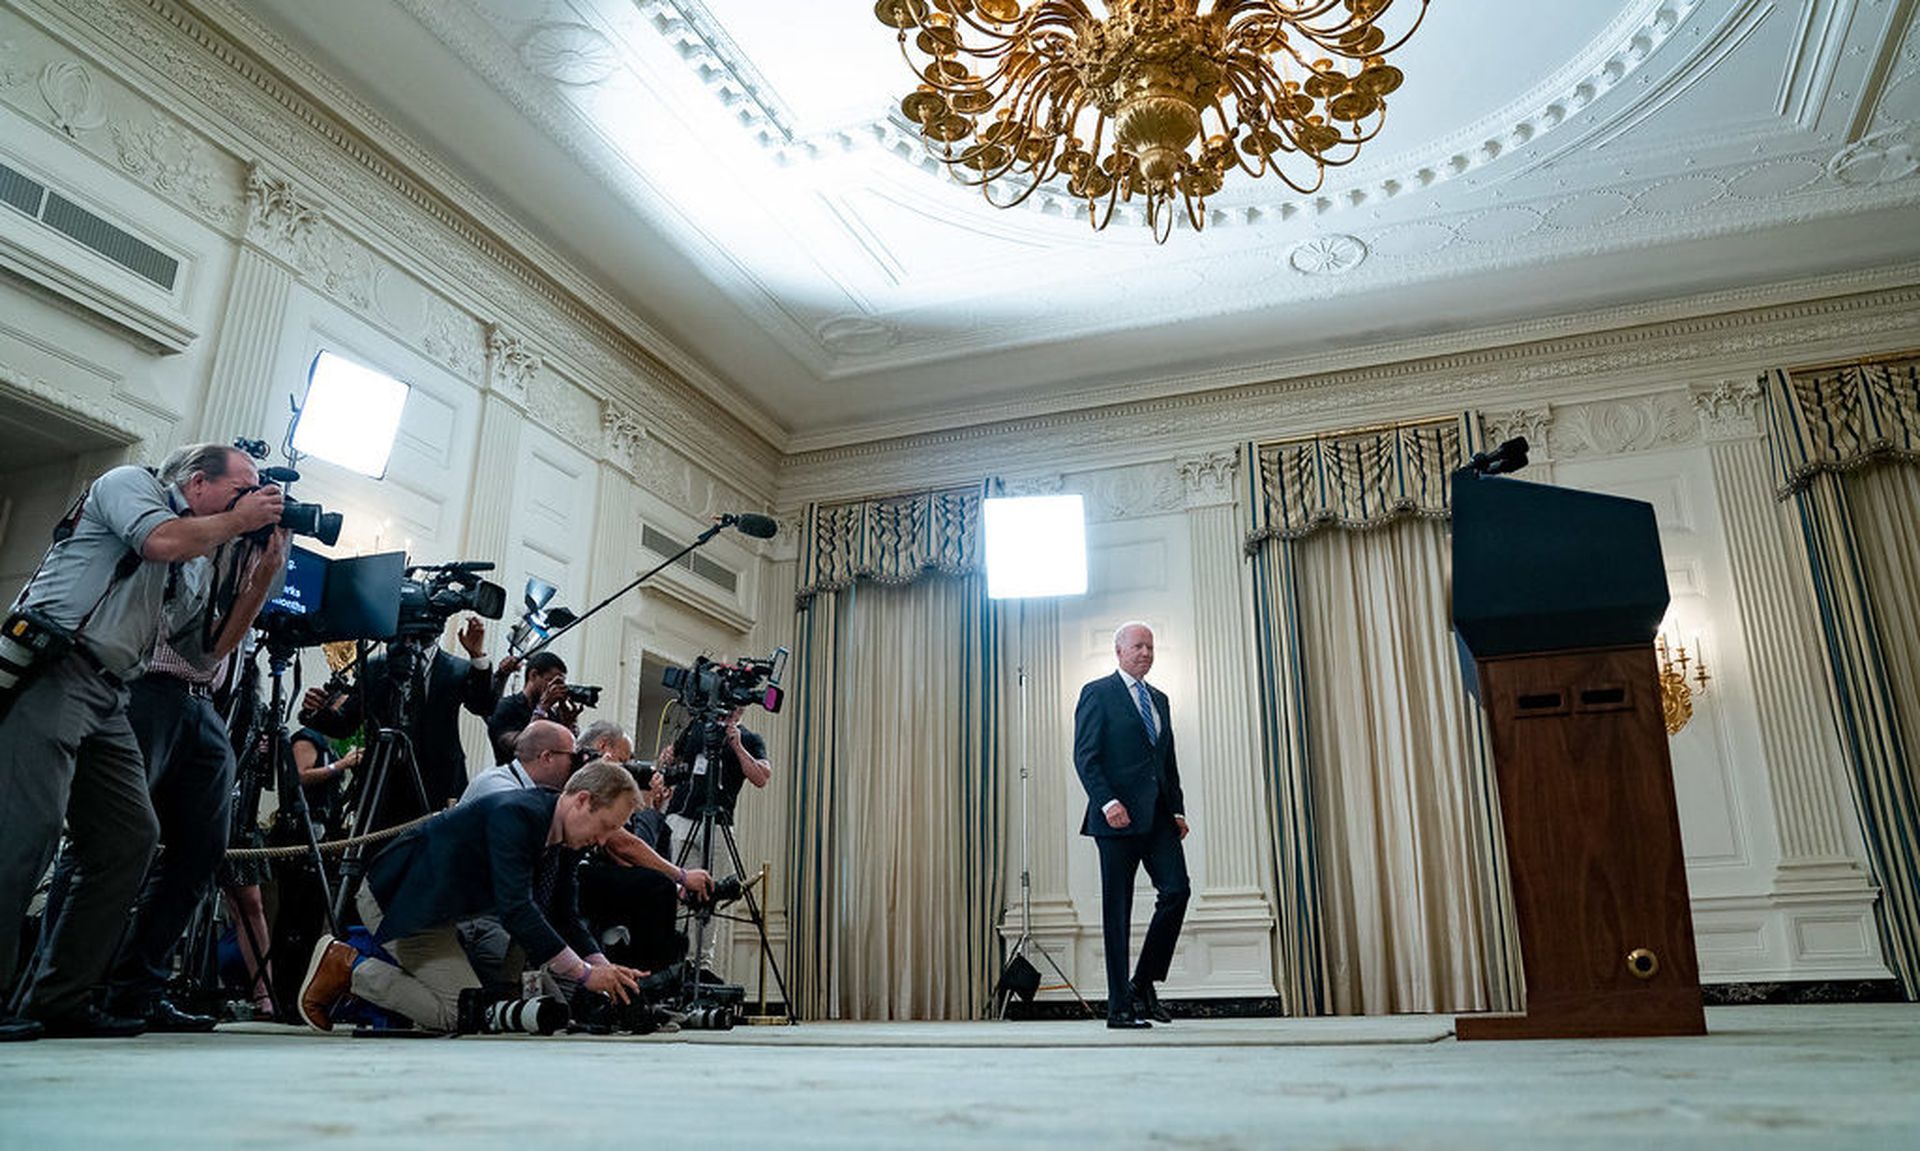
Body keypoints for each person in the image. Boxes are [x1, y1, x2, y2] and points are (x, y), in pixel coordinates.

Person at [0, 443, 285, 1041]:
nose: (258, 502)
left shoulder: (200, 551)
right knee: (29, 829)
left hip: (113, 692)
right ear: (197, 483)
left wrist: (261, 579)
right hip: (56, 664)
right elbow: (157, 542)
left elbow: (203, 652)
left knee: (132, 835)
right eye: (244, 489)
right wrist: (237, 522)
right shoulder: (131, 484)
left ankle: (60, 998)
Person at [296, 760, 646, 1034]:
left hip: (437, 911)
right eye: (605, 826)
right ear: (582, 801)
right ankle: (348, 967)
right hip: (400, 902)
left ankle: (354, 968)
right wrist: (584, 974)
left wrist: (605, 968)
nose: (603, 841)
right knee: (457, 1013)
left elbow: (563, 913)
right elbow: (517, 909)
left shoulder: (563, 835)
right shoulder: (518, 815)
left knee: (489, 1007)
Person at [1072, 621, 1190, 1030]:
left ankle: (1141, 983)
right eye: (1138, 646)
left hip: (1158, 817)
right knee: (1117, 910)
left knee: (1177, 891)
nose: (1145, 653)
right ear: (1119, 650)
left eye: (1151, 647)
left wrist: (1177, 810)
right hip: (1116, 819)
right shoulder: (1097, 693)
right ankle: (1119, 1008)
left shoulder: (1160, 699)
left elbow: (1166, 762)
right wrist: (1107, 801)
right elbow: (1086, 756)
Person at [299, 618, 502, 832]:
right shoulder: (376, 667)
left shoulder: (457, 669)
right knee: (374, 856)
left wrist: (477, 657)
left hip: (437, 785)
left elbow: (484, 707)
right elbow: (344, 725)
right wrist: (315, 711)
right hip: (382, 785)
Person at [485, 651, 579, 765]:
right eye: (551, 681)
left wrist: (568, 724)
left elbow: (565, 752)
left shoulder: (552, 715)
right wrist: (541, 709)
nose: (554, 688)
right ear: (533, 675)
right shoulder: (507, 707)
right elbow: (521, 748)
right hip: (513, 779)